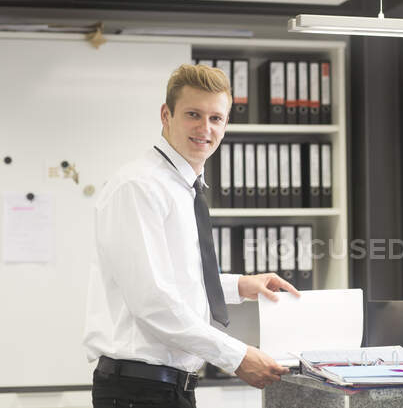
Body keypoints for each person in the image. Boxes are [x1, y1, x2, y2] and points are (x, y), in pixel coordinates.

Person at [83, 64, 299, 408]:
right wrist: (237, 356)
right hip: (138, 389)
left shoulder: (183, 187)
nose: (205, 128)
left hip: (166, 388)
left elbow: (175, 279)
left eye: (216, 118)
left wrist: (240, 285)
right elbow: (153, 303)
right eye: (193, 114)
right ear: (166, 115)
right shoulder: (140, 187)